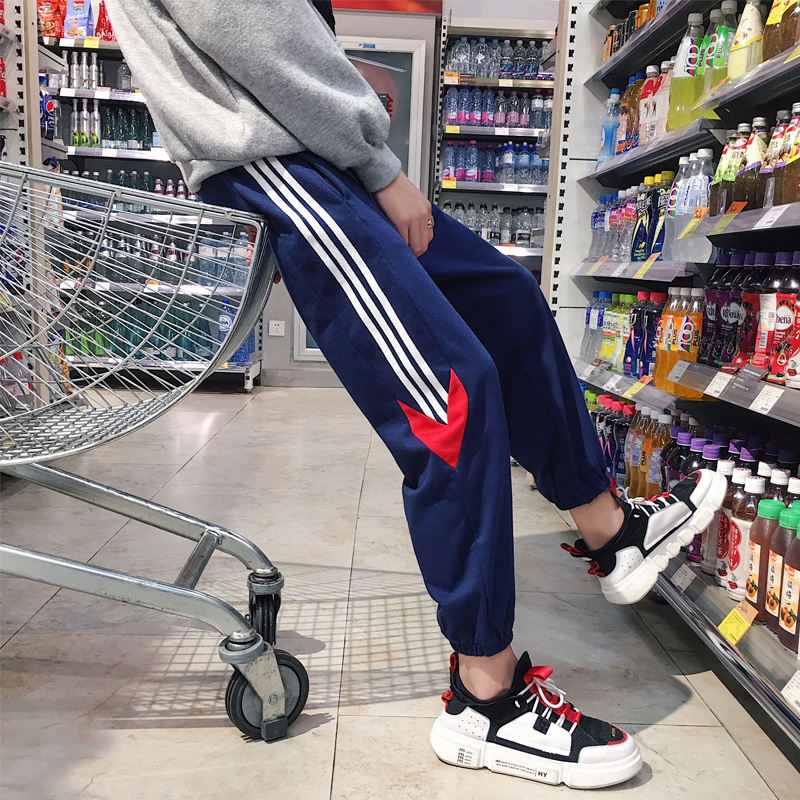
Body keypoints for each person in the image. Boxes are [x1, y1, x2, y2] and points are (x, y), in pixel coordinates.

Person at [104, 0, 726, 789]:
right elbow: (255, 25)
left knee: (509, 303)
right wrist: (382, 167)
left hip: (308, 154)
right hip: (269, 158)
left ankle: (612, 532)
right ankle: (485, 696)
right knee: (450, 398)